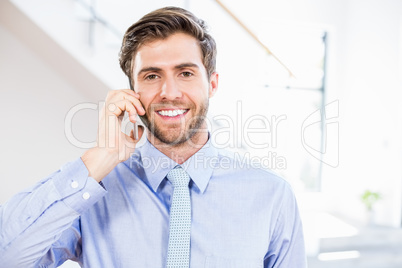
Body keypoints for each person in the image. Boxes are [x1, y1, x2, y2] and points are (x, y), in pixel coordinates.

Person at [0, 6, 306, 268]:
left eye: (185, 73)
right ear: (131, 90)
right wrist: (100, 157)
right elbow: (9, 257)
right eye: (151, 75)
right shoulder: (91, 191)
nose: (169, 93)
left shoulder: (272, 195)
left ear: (212, 84)